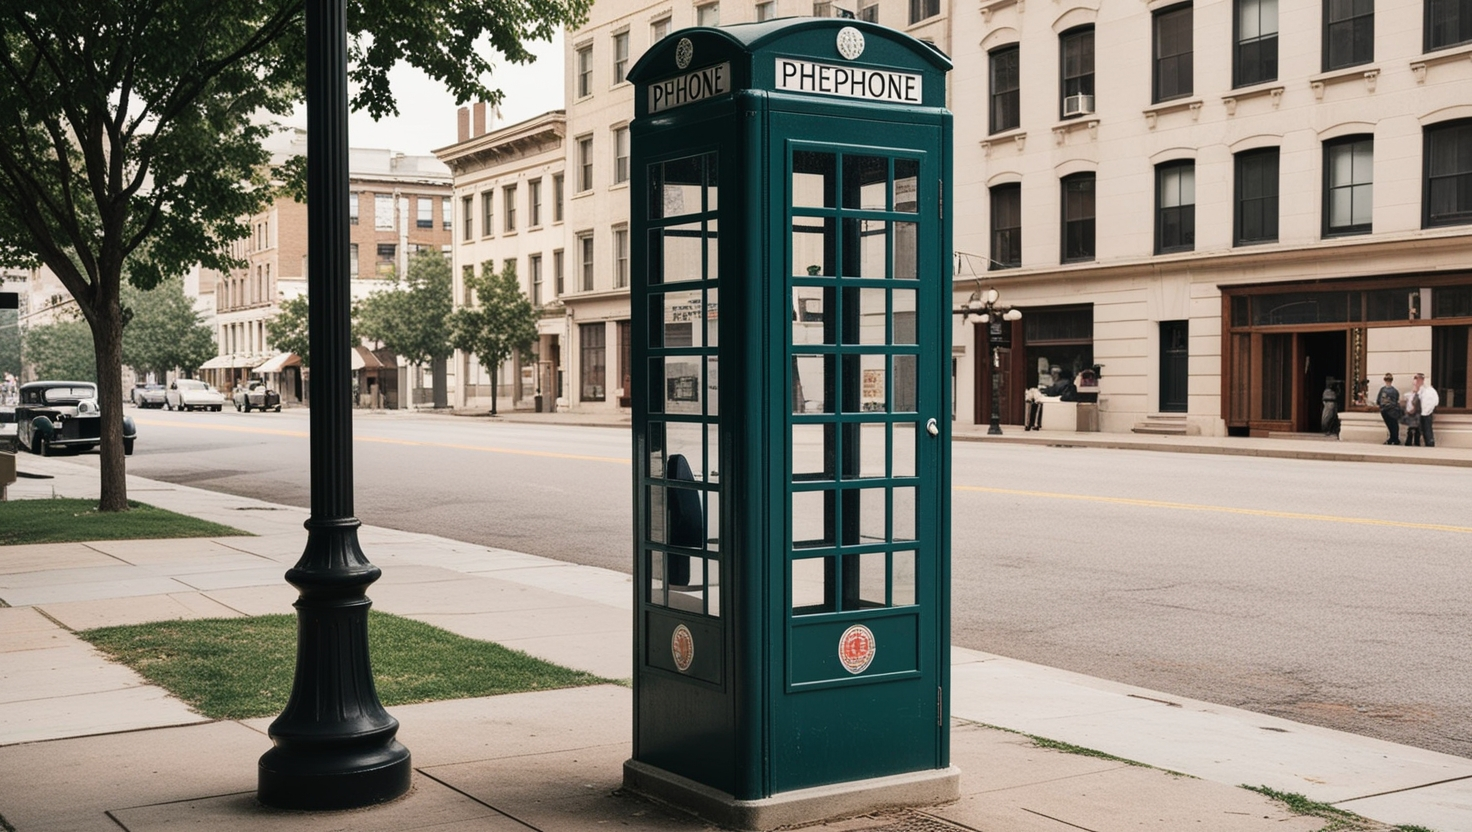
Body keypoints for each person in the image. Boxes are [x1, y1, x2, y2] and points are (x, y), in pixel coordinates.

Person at [1412, 372, 1439, 448]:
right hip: (1420, 412)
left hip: (1427, 412)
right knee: (1420, 428)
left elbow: (1434, 402)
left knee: (1427, 428)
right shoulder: (1420, 390)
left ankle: (1429, 442)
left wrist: (1428, 410)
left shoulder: (1429, 391)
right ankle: (1419, 442)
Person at [1374, 373, 1401, 445]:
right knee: (1391, 425)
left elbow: (1379, 400)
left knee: (1393, 425)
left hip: (1390, 410)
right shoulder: (1391, 390)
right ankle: (1393, 438)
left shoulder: (1386, 390)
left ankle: (1394, 438)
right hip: (1386, 410)